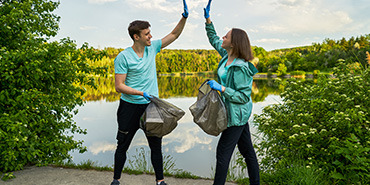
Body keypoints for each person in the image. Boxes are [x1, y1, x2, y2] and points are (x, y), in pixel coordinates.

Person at [111, 1, 188, 185]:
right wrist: (140, 92)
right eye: (147, 34)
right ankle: (116, 180)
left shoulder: (152, 48)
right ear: (136, 37)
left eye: (150, 33)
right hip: (129, 107)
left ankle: (160, 181)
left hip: (151, 107)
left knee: (156, 146)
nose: (150, 36)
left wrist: (184, 18)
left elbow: (174, 35)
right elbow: (119, 86)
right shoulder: (123, 57)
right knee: (122, 145)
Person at [202, 0, 260, 185]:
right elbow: (213, 39)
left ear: (233, 44)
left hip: (236, 114)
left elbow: (243, 96)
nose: (222, 39)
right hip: (232, 112)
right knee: (248, 152)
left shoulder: (242, 68)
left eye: (226, 37)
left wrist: (223, 89)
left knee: (223, 153)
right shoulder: (227, 55)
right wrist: (208, 20)